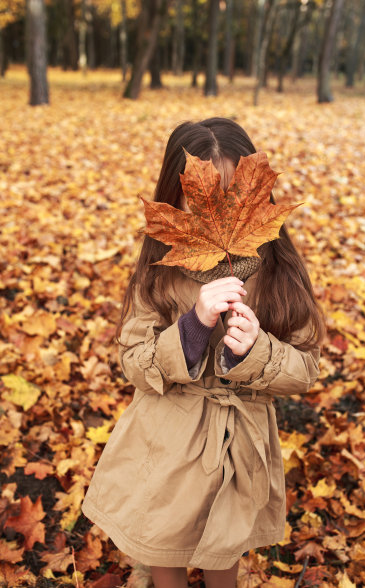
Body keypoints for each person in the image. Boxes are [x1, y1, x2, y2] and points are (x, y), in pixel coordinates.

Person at [81, 117, 326, 588]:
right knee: (163, 538)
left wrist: (255, 351)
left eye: (234, 196)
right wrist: (192, 328)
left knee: (224, 544)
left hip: (241, 442)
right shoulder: (160, 264)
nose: (219, 212)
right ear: (173, 199)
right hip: (168, 436)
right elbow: (134, 359)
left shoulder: (279, 268)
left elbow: (305, 367)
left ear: (258, 201)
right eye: (198, 201)